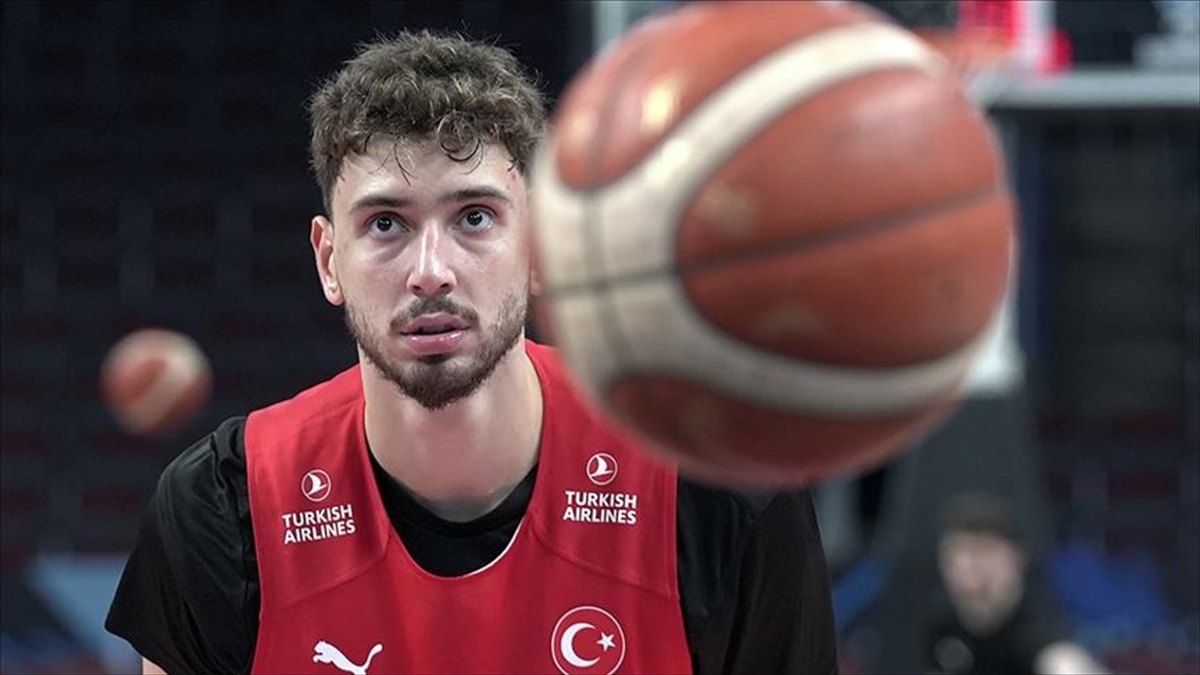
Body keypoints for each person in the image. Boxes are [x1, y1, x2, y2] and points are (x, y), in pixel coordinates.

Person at [105, 30, 838, 675]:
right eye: (386, 223)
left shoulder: (712, 483)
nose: (431, 270)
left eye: (475, 217)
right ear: (329, 261)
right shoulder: (222, 508)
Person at [923, 492, 1108, 675]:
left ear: (1018, 559)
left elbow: (1064, 662)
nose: (969, 567)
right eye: (957, 554)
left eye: (984, 552)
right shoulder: (939, 619)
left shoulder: (1038, 630)